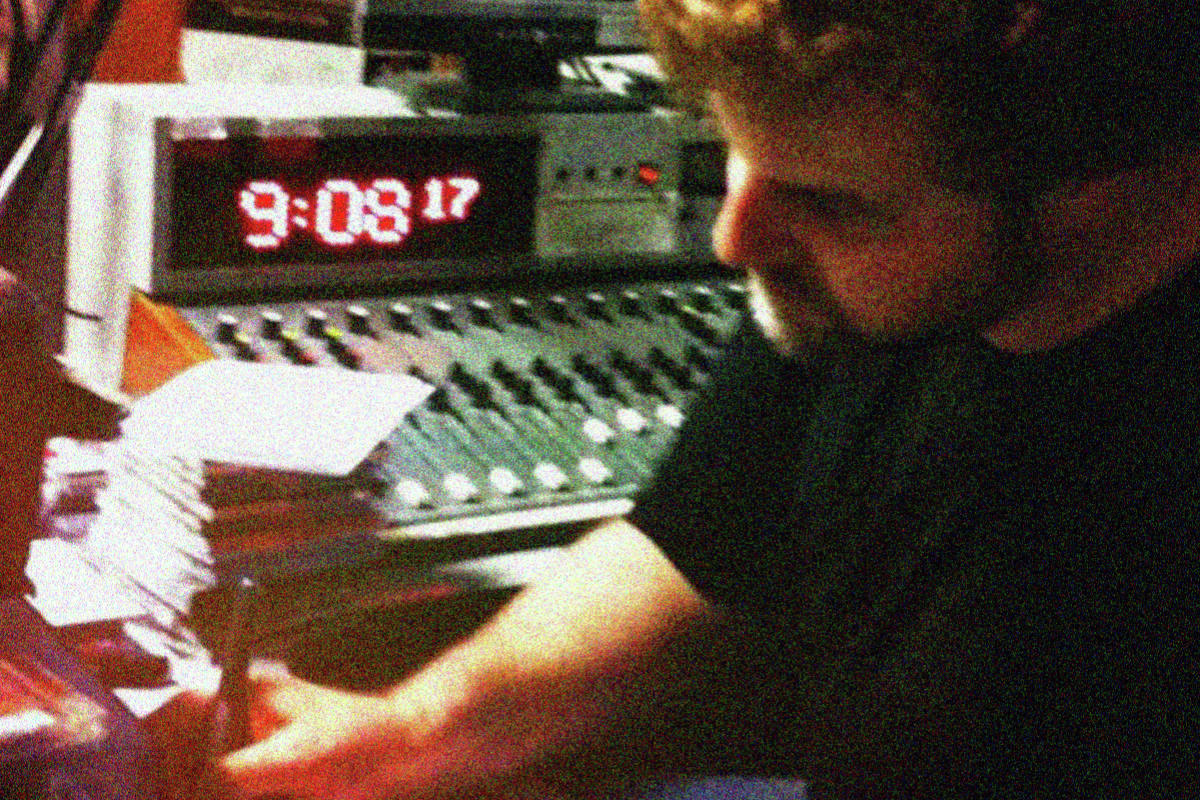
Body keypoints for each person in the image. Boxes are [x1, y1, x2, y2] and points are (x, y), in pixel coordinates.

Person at [190, 1, 1200, 797]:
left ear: (1093, 181)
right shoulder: (867, 299)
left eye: (828, 201)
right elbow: (698, 546)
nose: (734, 238)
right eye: (735, 152)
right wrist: (413, 730)